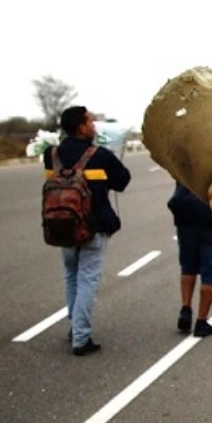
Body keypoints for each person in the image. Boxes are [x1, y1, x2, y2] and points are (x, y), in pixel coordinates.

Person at [43, 106, 132, 356]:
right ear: (81, 127)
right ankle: (81, 338)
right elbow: (122, 181)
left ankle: (75, 327)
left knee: (71, 276)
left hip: (62, 225)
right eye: (91, 121)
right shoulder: (100, 155)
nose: (94, 126)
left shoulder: (52, 154)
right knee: (87, 279)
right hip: (94, 227)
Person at [167, 181, 212, 337]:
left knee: (188, 266)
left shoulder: (185, 157)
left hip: (185, 212)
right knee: (211, 271)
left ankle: (186, 308)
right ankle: (201, 321)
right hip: (208, 214)